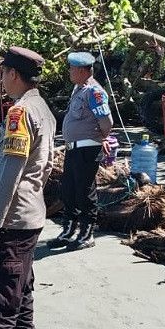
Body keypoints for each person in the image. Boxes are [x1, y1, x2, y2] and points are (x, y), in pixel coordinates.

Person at [0, 47, 55, 329]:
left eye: (2, 74)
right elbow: (48, 165)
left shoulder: (20, 112)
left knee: (0, 303)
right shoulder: (43, 108)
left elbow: (10, 170)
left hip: (12, 219)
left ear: (12, 74)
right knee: (21, 292)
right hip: (32, 214)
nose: (1, 81)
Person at [47, 52, 114, 251]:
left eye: (72, 68)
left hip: (87, 148)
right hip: (73, 148)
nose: (69, 71)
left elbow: (106, 121)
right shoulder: (79, 89)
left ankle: (87, 233)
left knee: (85, 191)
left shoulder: (94, 92)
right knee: (69, 190)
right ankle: (68, 230)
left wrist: (100, 138)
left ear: (83, 71)